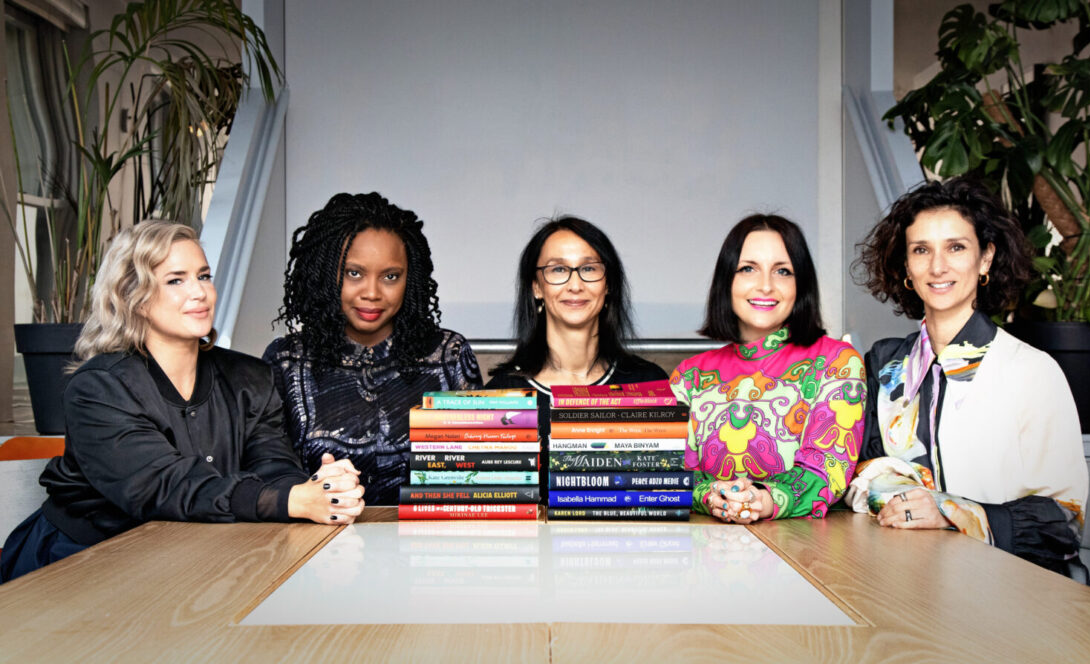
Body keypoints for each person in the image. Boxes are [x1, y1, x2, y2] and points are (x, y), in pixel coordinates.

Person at [0, 221, 363, 584]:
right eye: (176, 280)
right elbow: (165, 487)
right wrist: (291, 501)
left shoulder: (250, 377)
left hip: (196, 558)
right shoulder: (99, 388)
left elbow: (273, 464)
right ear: (134, 297)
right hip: (80, 563)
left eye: (203, 276)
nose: (200, 292)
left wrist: (321, 489)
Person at [850, 177, 1088, 577]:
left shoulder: (1031, 371)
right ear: (905, 265)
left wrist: (948, 510)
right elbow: (859, 472)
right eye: (921, 250)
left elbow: (1062, 520)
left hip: (1019, 591)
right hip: (906, 579)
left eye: (956, 247)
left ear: (986, 259)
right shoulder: (885, 364)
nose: (938, 266)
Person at [264, 193, 482, 505]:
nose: (372, 293)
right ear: (326, 273)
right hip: (323, 545)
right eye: (354, 273)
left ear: (411, 278)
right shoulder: (287, 362)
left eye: (390, 276)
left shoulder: (449, 355)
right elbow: (270, 477)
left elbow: (477, 475)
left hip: (430, 543)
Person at [670, 215, 866, 522]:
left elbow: (828, 468)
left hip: (808, 553)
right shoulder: (690, 376)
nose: (765, 286)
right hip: (708, 548)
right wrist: (711, 496)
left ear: (800, 284)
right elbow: (670, 473)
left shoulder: (837, 362)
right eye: (748, 269)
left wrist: (764, 499)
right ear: (727, 281)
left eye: (783, 271)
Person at [486, 217, 668, 482]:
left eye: (589, 269)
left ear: (609, 285)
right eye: (558, 269)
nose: (575, 285)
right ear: (536, 287)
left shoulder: (649, 383)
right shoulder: (498, 397)